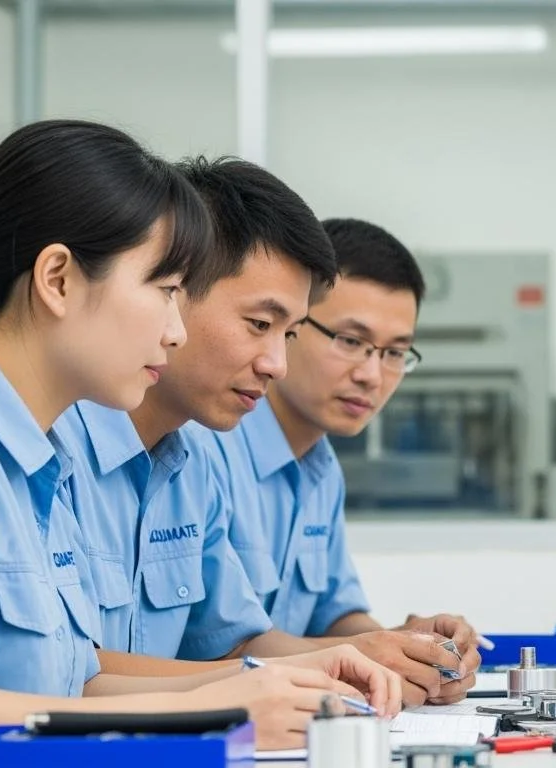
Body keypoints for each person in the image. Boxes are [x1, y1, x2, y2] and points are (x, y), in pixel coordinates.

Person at [0, 119, 398, 762]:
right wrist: (211, 709)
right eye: (166, 291)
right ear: (58, 278)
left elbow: (78, 678)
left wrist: (263, 684)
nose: (176, 332)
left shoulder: (36, 457)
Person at [53, 156, 352, 669]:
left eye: (291, 334)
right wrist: (274, 681)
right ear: (172, 290)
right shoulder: (51, 447)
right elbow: (72, 671)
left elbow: (231, 642)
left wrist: (370, 653)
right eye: (259, 324)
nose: (276, 365)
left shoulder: (187, 466)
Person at [196, 217, 481, 706]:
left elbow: (335, 614)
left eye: (395, 353)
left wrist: (408, 647)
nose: (372, 374)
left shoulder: (321, 469)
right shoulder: (207, 447)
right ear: (290, 324)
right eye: (350, 341)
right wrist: (368, 651)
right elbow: (224, 647)